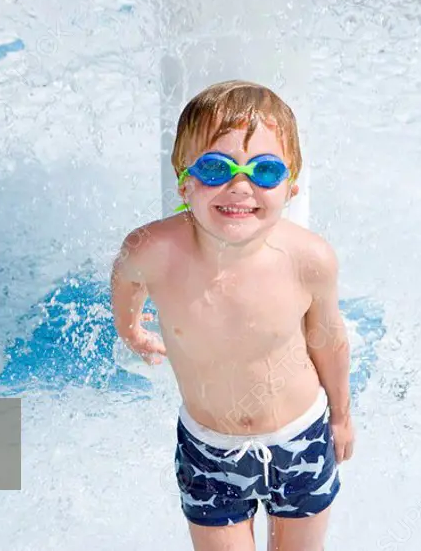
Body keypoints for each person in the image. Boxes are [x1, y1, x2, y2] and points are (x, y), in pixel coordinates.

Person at [110, 79, 354, 551]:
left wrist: (342, 417)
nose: (239, 187)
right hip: (209, 450)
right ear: (184, 180)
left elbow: (328, 340)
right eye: (217, 167)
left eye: (263, 171)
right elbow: (125, 279)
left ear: (291, 185)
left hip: (299, 436)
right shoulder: (154, 251)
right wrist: (131, 328)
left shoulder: (309, 260)